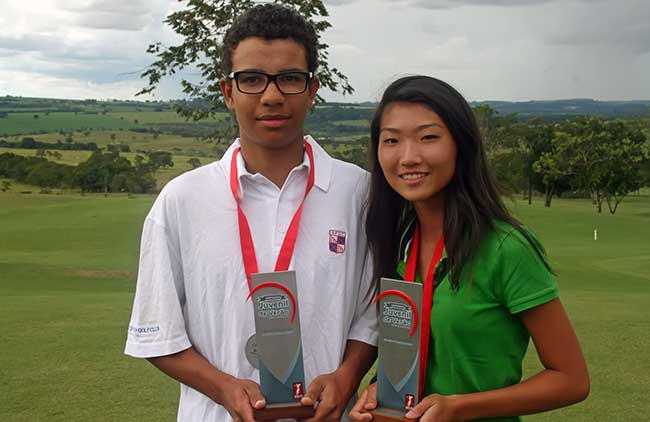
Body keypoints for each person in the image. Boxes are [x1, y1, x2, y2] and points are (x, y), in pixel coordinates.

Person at [124, 5, 377, 421]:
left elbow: (373, 313)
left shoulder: (359, 192)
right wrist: (223, 388)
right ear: (228, 92)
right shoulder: (182, 198)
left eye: (290, 79)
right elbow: (158, 333)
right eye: (252, 79)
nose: (272, 96)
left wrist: (348, 375)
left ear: (312, 90)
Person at [350, 76, 589, 422]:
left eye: (428, 137)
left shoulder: (506, 249)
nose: (408, 157)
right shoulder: (398, 243)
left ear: (461, 144)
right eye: (391, 141)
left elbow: (572, 380)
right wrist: (379, 389)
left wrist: (459, 407)